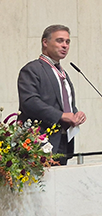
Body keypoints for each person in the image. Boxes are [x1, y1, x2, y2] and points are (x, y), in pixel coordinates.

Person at [18, 25, 86, 165]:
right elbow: (29, 102)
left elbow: (64, 103)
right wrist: (61, 115)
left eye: (67, 42)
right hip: (40, 143)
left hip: (63, 141)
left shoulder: (63, 73)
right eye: (60, 41)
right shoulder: (32, 69)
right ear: (45, 42)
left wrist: (75, 114)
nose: (65, 46)